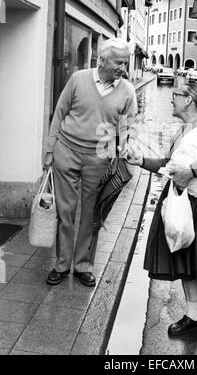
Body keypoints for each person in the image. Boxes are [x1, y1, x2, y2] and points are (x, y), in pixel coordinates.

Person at [125, 83, 197, 355]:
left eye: (175, 96)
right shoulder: (181, 129)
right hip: (183, 199)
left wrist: (190, 171)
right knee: (185, 255)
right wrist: (141, 159)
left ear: (188, 99)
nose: (171, 101)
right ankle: (193, 318)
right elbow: (170, 165)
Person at [44, 38, 137, 287]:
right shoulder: (78, 79)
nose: (123, 68)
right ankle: (62, 264)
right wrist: (50, 149)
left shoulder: (127, 90)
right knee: (65, 212)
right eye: (119, 62)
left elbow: (127, 125)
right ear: (103, 59)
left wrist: (124, 149)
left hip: (100, 157)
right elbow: (59, 113)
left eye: (125, 63)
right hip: (67, 151)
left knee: (91, 213)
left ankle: (83, 265)